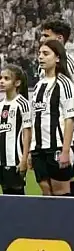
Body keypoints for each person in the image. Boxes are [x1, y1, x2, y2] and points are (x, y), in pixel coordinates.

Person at [39, 20, 74, 196]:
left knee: (66, 183)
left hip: (62, 136)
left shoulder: (70, 65)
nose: (41, 39)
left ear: (59, 38)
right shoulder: (43, 66)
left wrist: (68, 131)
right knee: (48, 187)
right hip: (45, 138)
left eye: (46, 35)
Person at [32, 40, 74, 196]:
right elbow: (35, 119)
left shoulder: (64, 83)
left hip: (57, 146)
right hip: (38, 148)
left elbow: (70, 118)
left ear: (57, 58)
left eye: (46, 54)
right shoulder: (38, 85)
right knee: (46, 192)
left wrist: (65, 150)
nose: (41, 57)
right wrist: (32, 149)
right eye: (39, 54)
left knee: (61, 193)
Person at [0, 65, 31, 195]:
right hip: (2, 160)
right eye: (1, 78)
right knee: (5, 195)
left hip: (15, 160)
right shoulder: (1, 104)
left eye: (6, 78)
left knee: (17, 197)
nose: (2, 81)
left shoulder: (22, 104)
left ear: (17, 83)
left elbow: (27, 133)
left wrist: (24, 159)